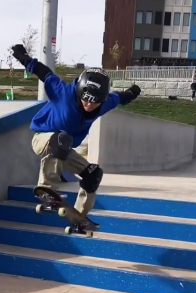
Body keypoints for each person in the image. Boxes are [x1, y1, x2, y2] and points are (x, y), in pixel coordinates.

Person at [9, 44, 141, 229]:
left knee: (93, 174)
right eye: (85, 99)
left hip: (64, 149)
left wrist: (131, 93)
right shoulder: (63, 93)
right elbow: (43, 72)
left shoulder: (104, 103)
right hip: (42, 139)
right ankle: (46, 191)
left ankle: (80, 218)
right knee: (62, 139)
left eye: (94, 102)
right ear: (79, 92)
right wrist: (23, 58)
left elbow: (118, 98)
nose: (88, 105)